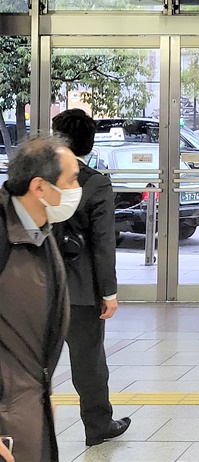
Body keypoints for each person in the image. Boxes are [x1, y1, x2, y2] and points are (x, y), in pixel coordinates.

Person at [50, 110, 132, 447]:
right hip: (81, 291)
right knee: (88, 361)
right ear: (91, 141)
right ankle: (98, 425)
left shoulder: (38, 176)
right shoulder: (96, 182)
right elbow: (103, 242)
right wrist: (109, 292)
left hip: (41, 287)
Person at [0, 138, 79, 461]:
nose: (78, 187)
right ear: (39, 188)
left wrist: (42, 390)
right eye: (72, 179)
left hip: (26, 401)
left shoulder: (40, 231)